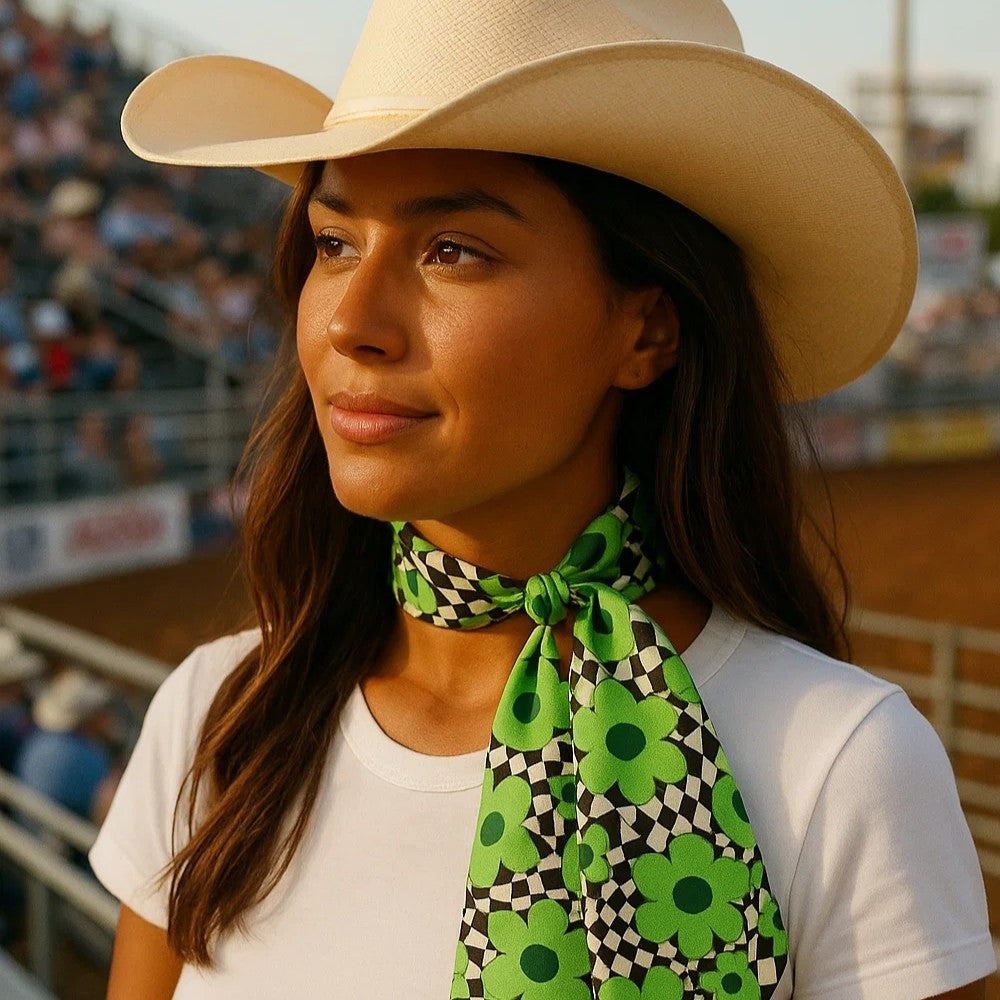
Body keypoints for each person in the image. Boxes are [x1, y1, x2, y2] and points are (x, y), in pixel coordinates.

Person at [89, 2, 994, 999]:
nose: (351, 319)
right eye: (334, 240)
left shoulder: (839, 763)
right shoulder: (219, 718)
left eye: (453, 250)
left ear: (646, 329)